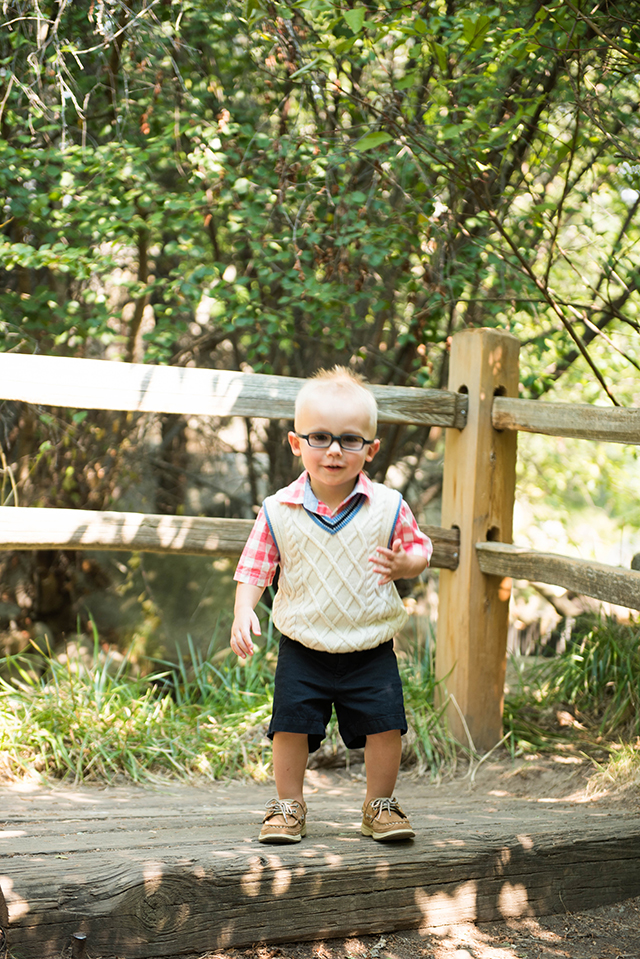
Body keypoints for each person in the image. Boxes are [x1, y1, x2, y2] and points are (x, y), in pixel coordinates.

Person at [230, 367, 432, 844]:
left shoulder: (388, 506)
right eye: (320, 438)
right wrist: (244, 611)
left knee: (386, 728)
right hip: (304, 645)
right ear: (296, 443)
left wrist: (406, 564)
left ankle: (378, 804)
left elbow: (420, 550)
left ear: (371, 449)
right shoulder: (280, 509)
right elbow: (256, 567)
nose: (335, 451)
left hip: (370, 644)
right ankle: (288, 804)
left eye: (350, 439)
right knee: (291, 727)